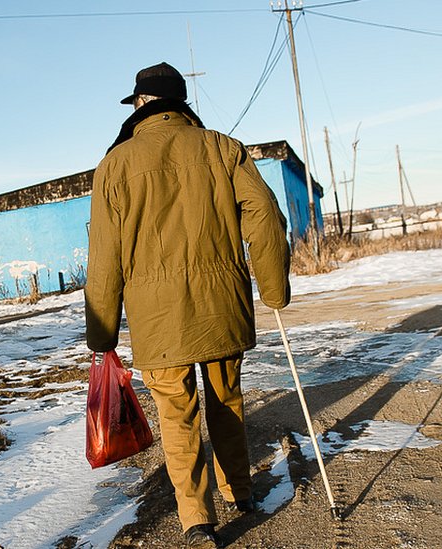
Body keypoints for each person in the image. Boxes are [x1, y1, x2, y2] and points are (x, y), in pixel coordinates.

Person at [85, 62, 291, 549]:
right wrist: (273, 287)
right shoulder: (222, 148)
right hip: (221, 304)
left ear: (141, 104)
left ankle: (197, 520)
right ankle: (240, 492)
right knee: (226, 402)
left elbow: (104, 256)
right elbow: (263, 211)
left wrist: (102, 333)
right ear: (181, 103)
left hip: (157, 319)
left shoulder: (114, 165)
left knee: (177, 417)